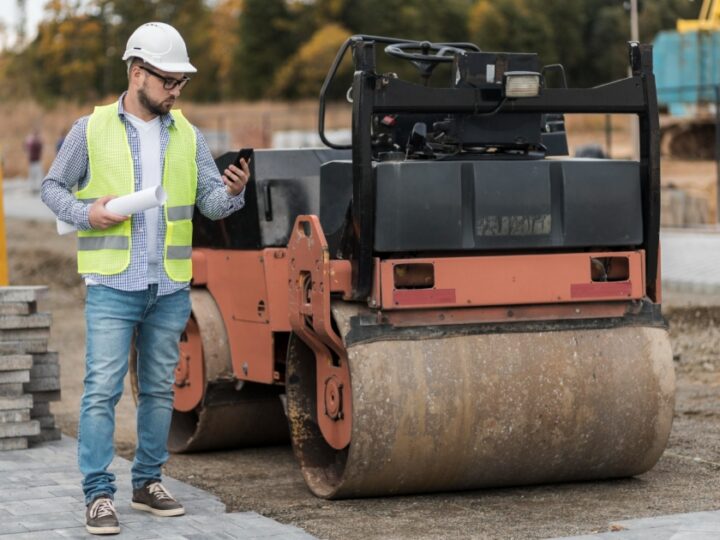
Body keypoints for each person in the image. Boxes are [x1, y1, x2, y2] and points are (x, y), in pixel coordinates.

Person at [40, 22, 250, 536]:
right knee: (101, 392)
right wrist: (89, 214)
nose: (177, 91)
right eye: (169, 81)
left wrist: (235, 191)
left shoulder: (190, 136)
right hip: (113, 284)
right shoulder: (89, 130)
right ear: (138, 74)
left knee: (158, 390)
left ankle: (148, 481)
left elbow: (210, 204)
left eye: (182, 83)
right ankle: (98, 494)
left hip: (169, 286)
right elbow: (51, 187)